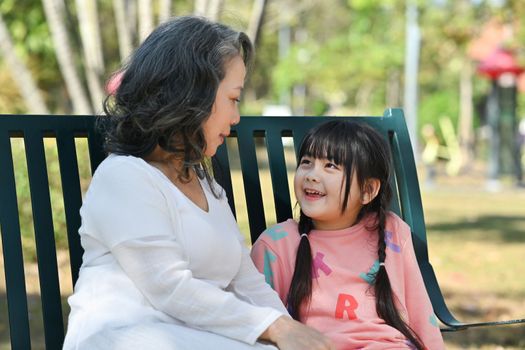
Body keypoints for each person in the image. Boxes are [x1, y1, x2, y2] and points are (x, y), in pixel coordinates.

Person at [63, 16, 335, 350]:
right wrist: (273, 328)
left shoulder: (205, 185)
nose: (236, 118)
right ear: (192, 96)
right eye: (233, 99)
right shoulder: (124, 177)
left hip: (196, 337)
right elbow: (169, 288)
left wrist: (290, 331)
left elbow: (244, 279)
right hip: (127, 336)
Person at [251, 120, 445, 350]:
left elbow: (420, 311)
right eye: (306, 162)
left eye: (330, 166)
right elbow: (258, 323)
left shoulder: (391, 231)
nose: (312, 175)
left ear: (367, 190)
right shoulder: (277, 244)